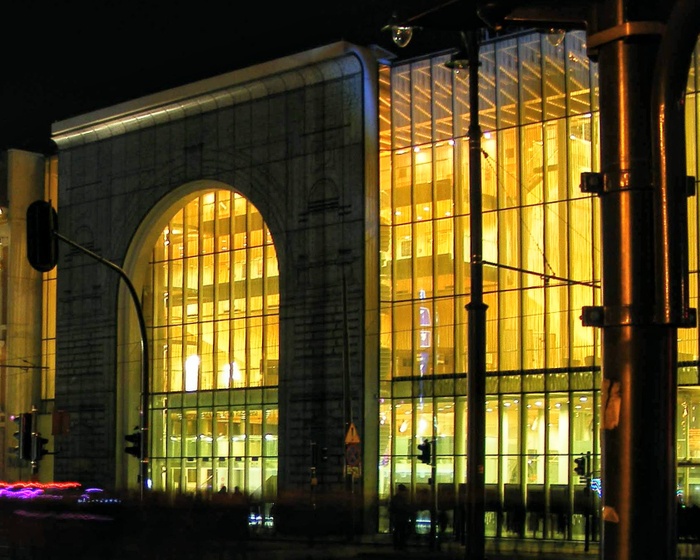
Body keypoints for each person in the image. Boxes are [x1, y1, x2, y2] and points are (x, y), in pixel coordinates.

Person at [389, 483, 411, 550]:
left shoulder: (396, 498)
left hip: (398, 518)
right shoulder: (401, 499)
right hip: (400, 518)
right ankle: (400, 545)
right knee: (401, 532)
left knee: (399, 532)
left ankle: (398, 545)